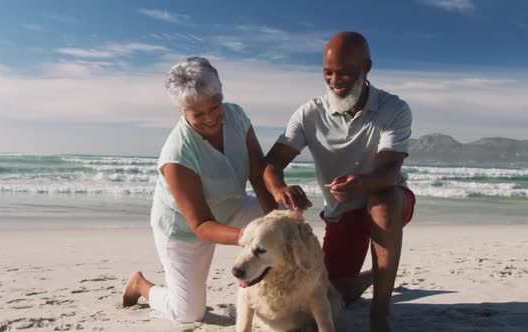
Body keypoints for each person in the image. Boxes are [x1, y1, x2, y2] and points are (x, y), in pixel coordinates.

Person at [263, 32, 415, 332]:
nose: (335, 81)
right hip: (342, 212)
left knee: (381, 200)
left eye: (344, 72)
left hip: (389, 200)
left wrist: (361, 183)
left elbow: (388, 173)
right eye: (328, 73)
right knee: (336, 293)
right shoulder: (309, 113)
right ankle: (375, 274)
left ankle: (380, 311)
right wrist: (279, 188)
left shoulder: (394, 109)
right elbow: (271, 164)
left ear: (366, 68)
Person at [121, 57, 277, 322]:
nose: (210, 118)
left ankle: (275, 292)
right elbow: (202, 225)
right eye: (198, 113)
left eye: (214, 107)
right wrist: (249, 236)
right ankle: (141, 285)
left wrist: (274, 218)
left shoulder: (236, 115)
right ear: (182, 110)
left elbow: (256, 171)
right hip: (184, 231)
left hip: (232, 206)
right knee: (189, 313)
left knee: (282, 220)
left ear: (221, 95)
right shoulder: (177, 154)